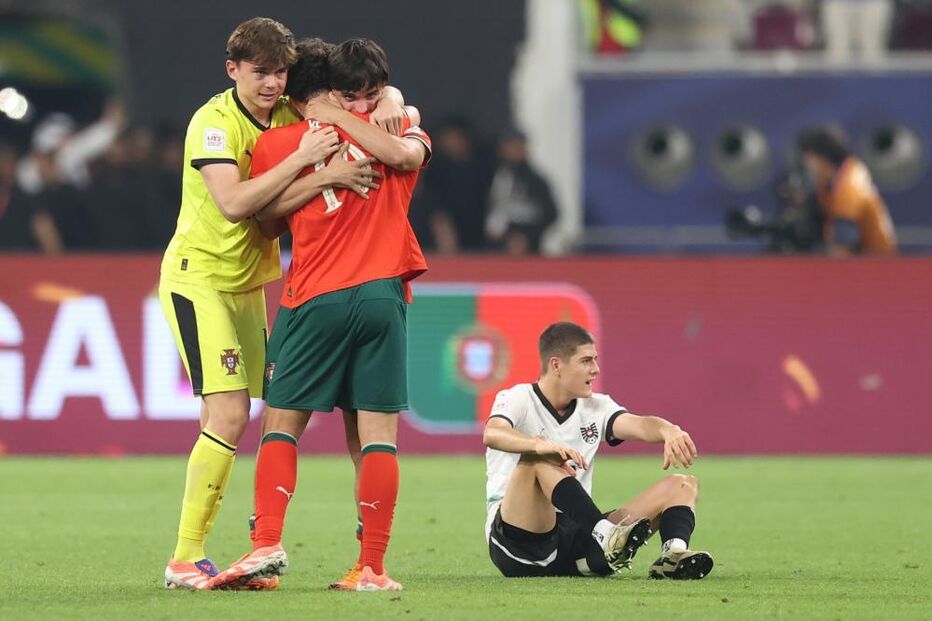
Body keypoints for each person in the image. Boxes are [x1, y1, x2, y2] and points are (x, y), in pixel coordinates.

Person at [158, 17, 386, 591]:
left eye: (280, 72)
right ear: (232, 69)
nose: (272, 83)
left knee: (236, 417)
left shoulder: (288, 111)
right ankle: (184, 556)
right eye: (260, 72)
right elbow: (235, 204)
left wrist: (392, 101)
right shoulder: (213, 124)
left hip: (249, 283)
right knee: (230, 415)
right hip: (198, 277)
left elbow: (353, 86)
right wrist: (306, 160)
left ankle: (231, 552)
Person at [209, 37, 431, 593]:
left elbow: (265, 223)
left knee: (282, 425)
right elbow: (407, 151)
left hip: (314, 297)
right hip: (383, 297)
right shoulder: (399, 126)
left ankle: (266, 544)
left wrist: (325, 135)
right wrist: (383, 106)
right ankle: (372, 567)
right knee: (376, 436)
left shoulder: (281, 142)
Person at [483, 322, 713, 579]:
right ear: (556, 365)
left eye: (595, 359)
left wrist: (667, 430)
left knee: (682, 484)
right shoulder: (519, 398)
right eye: (586, 361)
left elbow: (639, 424)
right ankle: (607, 535)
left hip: (577, 540)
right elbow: (493, 433)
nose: (595, 369)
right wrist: (538, 444)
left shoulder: (597, 407)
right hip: (520, 543)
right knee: (537, 460)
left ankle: (673, 555)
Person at [796, 127, 897, 255]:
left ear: (822, 158)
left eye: (809, 158)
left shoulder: (849, 188)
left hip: (875, 260)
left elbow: (842, 250)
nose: (807, 165)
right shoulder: (833, 180)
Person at [485, 128, 559, 255]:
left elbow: (551, 214)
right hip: (494, 249)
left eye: (518, 145)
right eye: (509, 145)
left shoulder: (535, 181)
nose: (513, 150)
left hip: (528, 251)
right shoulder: (491, 175)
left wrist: (526, 236)